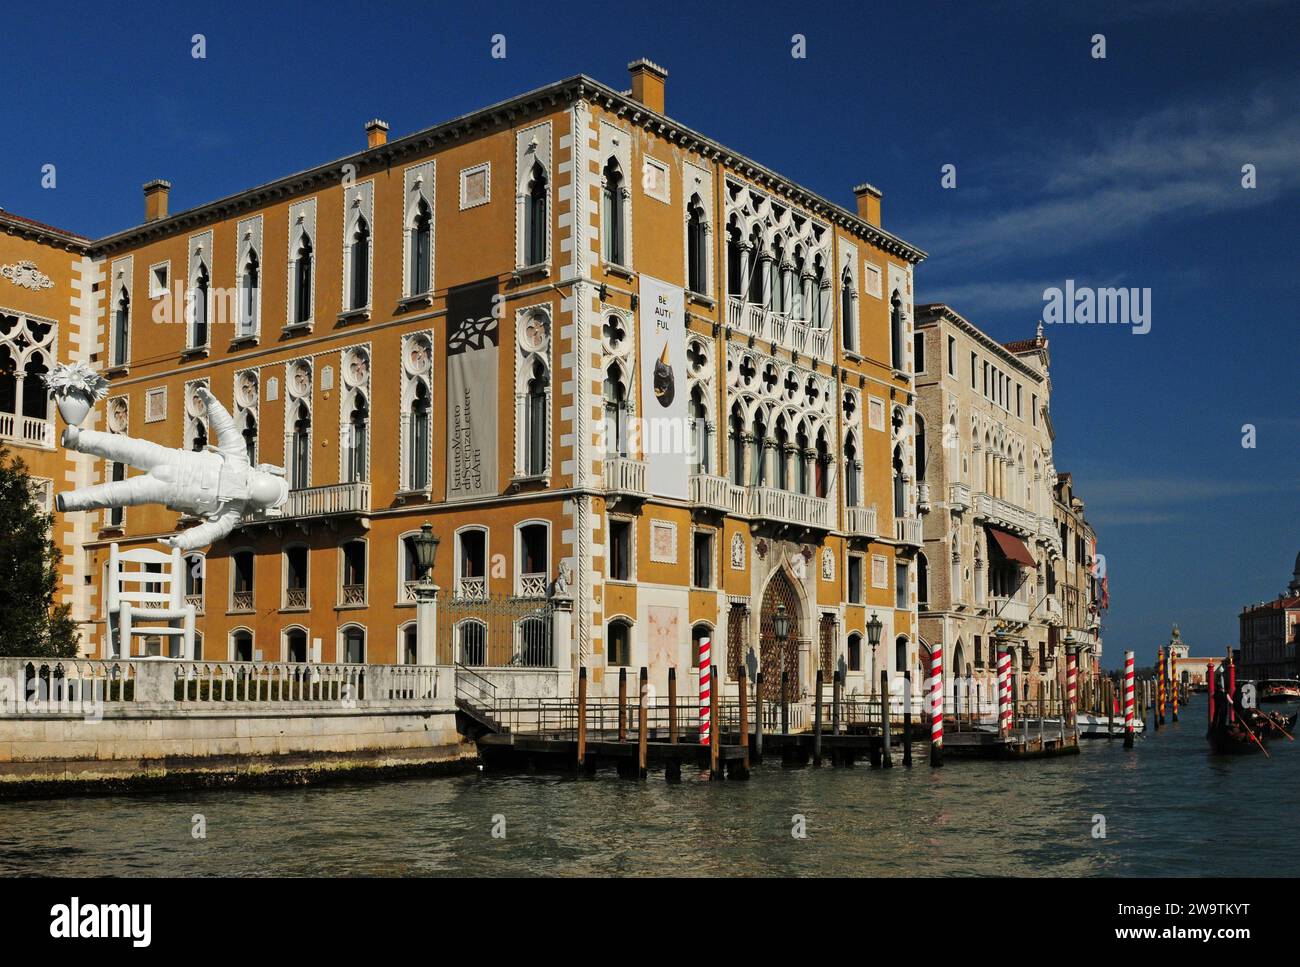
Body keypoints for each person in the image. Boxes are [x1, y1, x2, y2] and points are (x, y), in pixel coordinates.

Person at [56, 385, 287, 550]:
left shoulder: (232, 510)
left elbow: (209, 532)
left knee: (120, 486)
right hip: (172, 463)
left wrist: (184, 541)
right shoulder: (234, 489)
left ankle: (71, 497)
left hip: (169, 484)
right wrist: (211, 402)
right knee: (122, 455)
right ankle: (77, 444)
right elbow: (226, 427)